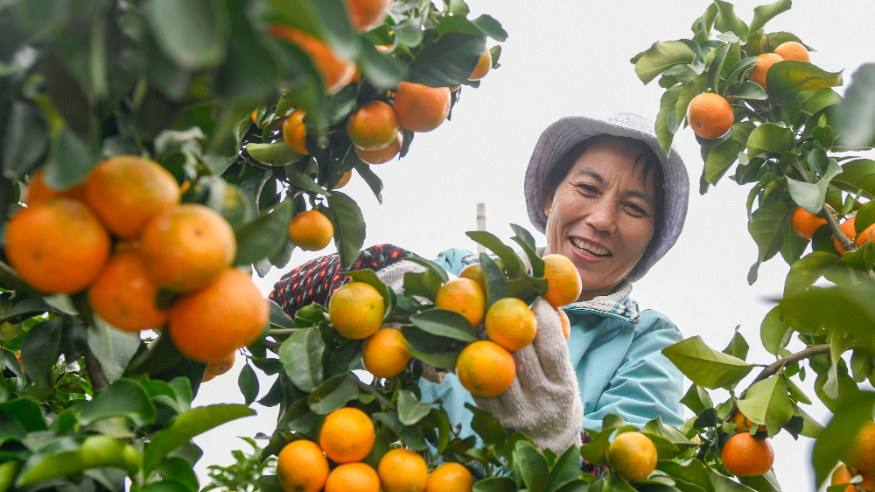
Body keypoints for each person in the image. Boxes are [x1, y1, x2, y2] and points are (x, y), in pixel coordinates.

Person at [270, 113, 689, 453]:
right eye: (586, 187)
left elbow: (634, 469)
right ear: (549, 198)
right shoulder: (462, 272)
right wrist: (367, 275)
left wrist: (557, 443)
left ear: (651, 240)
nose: (602, 219)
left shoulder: (648, 343)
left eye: (634, 209)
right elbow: (286, 315)